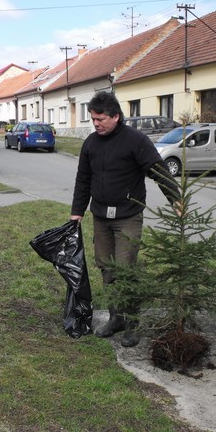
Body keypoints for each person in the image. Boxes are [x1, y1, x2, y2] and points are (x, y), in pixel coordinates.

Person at [70, 91, 180, 347]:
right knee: (107, 269)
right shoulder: (90, 144)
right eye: (93, 119)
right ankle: (115, 318)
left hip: (128, 216)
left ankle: (132, 323)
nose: (96, 123)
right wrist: (77, 210)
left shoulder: (136, 141)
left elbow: (157, 170)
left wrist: (175, 199)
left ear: (116, 117)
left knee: (125, 270)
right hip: (100, 217)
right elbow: (83, 179)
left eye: (101, 119)